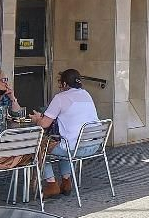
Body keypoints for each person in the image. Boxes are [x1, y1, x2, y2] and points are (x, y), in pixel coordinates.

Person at [31, 68, 99, 198]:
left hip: (74, 148)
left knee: (38, 146)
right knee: (63, 141)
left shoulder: (60, 98)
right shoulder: (86, 95)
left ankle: (51, 184)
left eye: (60, 82)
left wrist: (36, 119)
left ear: (65, 84)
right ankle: (66, 182)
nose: (59, 86)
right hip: (93, 146)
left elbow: (45, 124)